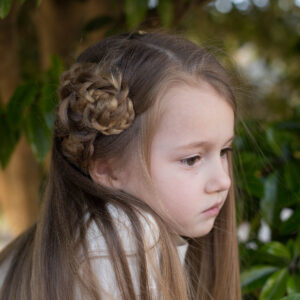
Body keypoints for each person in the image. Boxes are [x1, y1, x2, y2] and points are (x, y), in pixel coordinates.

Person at [0, 30, 242, 300]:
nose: (223, 181)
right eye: (191, 159)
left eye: (224, 150)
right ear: (106, 168)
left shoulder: (46, 245)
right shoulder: (126, 239)